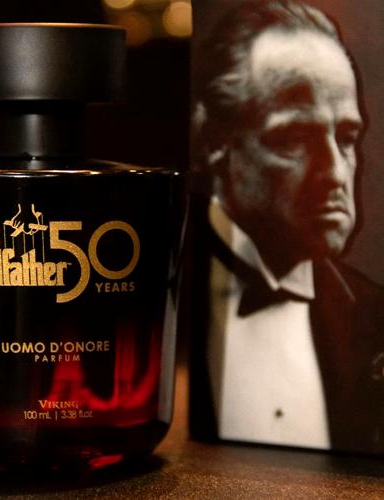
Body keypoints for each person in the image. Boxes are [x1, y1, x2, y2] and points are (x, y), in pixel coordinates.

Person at [188, 0, 384, 454]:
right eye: (295, 138)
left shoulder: (371, 316)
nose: (335, 173)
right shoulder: (165, 283)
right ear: (215, 141)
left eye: (347, 138)